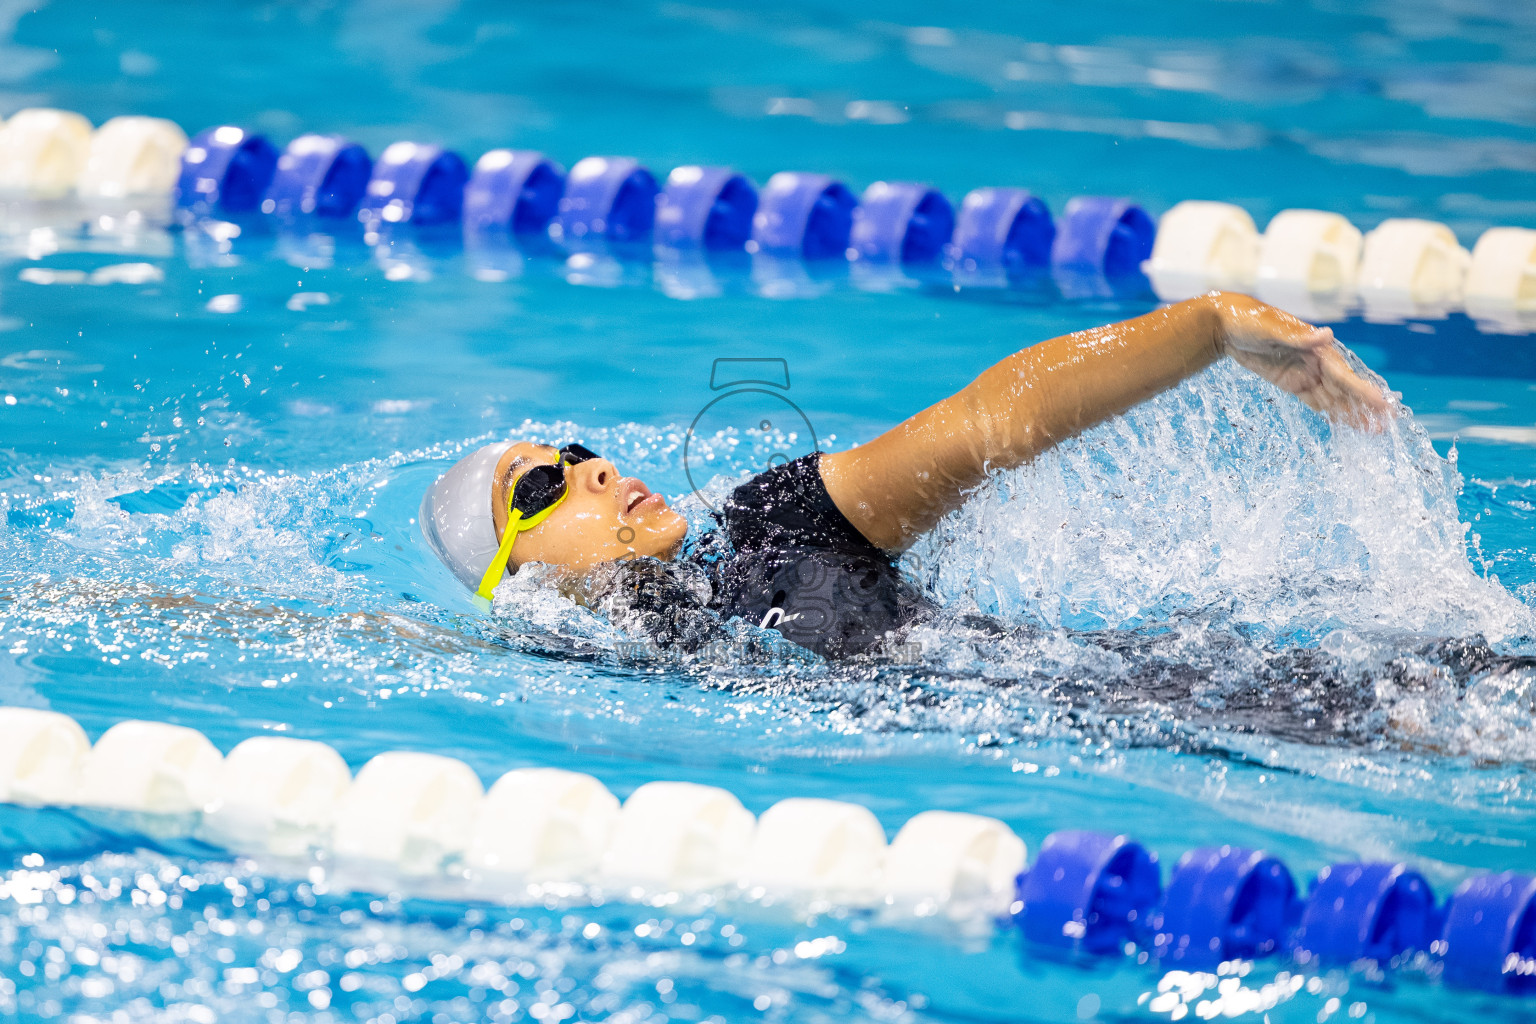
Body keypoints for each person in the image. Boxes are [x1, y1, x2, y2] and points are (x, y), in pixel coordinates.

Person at [420, 292, 1389, 657]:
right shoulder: (571, 663)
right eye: (541, 489)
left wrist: (1206, 327)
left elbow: (982, 423)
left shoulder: (771, 524)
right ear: (517, 572)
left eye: (580, 456)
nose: (594, 473)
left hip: (1167, 697)